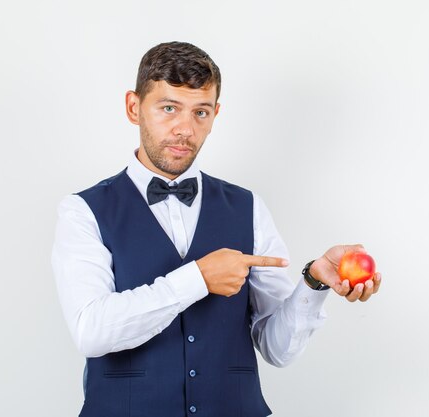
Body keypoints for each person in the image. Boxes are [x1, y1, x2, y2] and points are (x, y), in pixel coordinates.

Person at [52, 41, 381, 417]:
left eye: (201, 112)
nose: (185, 129)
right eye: (168, 108)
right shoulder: (83, 211)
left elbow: (278, 350)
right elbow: (91, 330)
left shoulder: (249, 207)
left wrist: (313, 282)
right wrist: (198, 278)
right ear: (133, 107)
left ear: (215, 114)